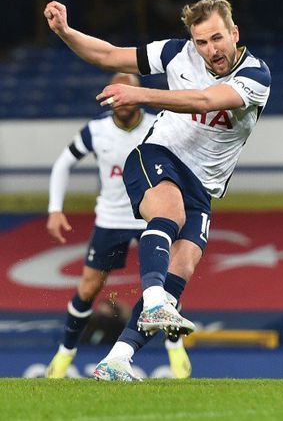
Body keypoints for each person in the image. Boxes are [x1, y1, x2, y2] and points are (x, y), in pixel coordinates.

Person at [44, 0, 271, 381]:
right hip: (157, 155)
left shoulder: (256, 76)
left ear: (234, 34)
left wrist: (141, 94)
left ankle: (117, 359)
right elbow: (110, 56)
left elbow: (205, 99)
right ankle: (151, 303)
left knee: (179, 272)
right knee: (170, 215)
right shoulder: (175, 53)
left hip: (204, 185)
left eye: (217, 38)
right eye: (201, 42)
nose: (210, 49)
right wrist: (66, 33)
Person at [44, 73, 192, 380]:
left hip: (151, 215)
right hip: (111, 218)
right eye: (112, 95)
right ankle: (64, 355)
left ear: (138, 95)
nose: (119, 101)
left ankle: (175, 348)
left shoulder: (157, 125)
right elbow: (63, 162)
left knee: (167, 280)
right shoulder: (96, 130)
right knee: (88, 287)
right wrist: (55, 209)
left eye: (125, 93)